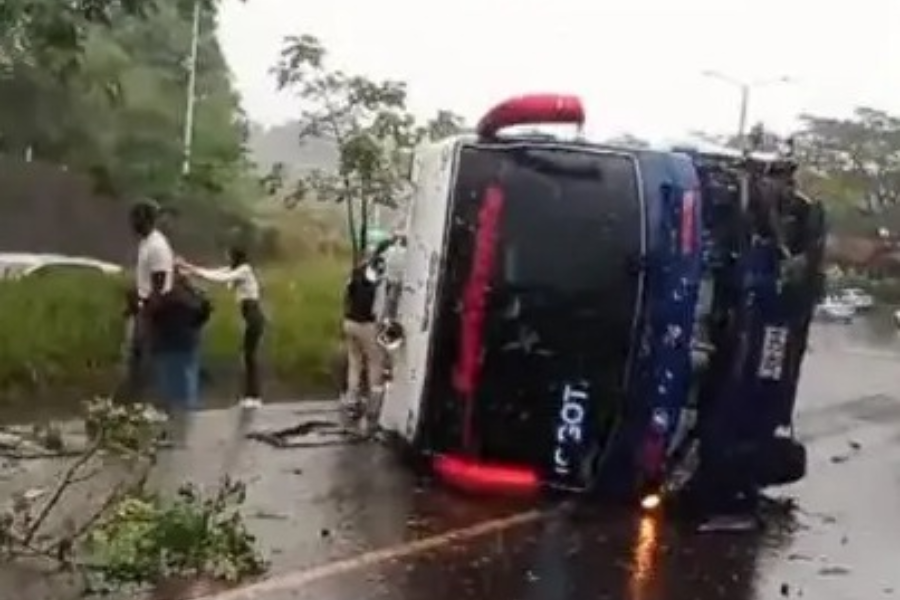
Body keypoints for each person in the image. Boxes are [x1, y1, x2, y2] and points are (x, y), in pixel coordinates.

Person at [129, 200, 202, 416]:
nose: (132, 223)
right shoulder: (146, 243)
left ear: (147, 219)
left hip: (157, 313)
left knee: (157, 363)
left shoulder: (157, 246)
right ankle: (154, 408)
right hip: (150, 309)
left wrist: (146, 315)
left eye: (137, 218)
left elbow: (159, 287)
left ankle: (170, 413)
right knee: (146, 361)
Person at [178, 246, 265, 410]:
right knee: (248, 356)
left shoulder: (244, 270)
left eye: (229, 256)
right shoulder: (236, 269)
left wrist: (193, 271)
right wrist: (190, 269)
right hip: (249, 314)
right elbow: (215, 272)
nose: (227, 259)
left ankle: (253, 396)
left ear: (236, 257)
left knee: (249, 356)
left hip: (253, 314)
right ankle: (251, 395)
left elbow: (222, 279)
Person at [342, 253, 385, 434]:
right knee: (376, 361)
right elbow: (378, 309)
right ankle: (373, 404)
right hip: (366, 325)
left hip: (349, 322)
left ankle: (351, 401)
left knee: (354, 363)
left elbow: (345, 297)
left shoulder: (353, 277)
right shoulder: (378, 283)